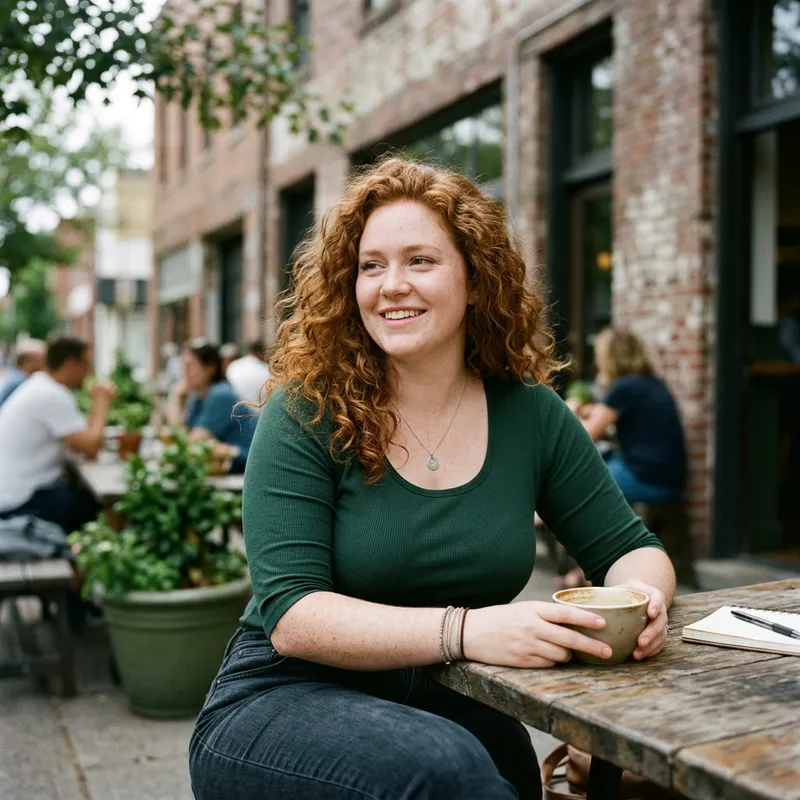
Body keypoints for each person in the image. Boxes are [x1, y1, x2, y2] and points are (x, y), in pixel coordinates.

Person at [188, 158, 676, 800]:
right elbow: (293, 615)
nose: (391, 285)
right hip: (286, 699)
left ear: (476, 281)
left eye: (421, 261)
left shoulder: (529, 412)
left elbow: (629, 548)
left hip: (458, 708)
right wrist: (470, 629)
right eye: (371, 265)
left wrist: (643, 603)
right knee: (444, 771)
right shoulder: (308, 408)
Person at [0, 334, 116, 534]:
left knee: (82, 498)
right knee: (104, 509)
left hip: (16, 495)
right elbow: (91, 447)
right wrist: (102, 402)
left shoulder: (41, 386)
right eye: (86, 364)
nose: (89, 372)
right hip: (19, 503)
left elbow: (81, 439)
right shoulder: (51, 394)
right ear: (71, 364)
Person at [580, 328, 687, 505]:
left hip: (647, 480)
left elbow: (584, 436)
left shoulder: (625, 387)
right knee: (602, 462)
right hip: (668, 480)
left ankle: (536, 521)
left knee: (574, 480)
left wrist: (572, 407)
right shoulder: (650, 382)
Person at [168, 339, 256, 474]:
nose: (184, 372)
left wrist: (174, 398)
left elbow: (191, 443)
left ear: (210, 368)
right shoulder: (198, 396)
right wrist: (178, 399)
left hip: (247, 463)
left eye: (189, 366)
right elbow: (179, 437)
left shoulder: (220, 394)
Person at [0, 338, 46, 407]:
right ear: (27, 362)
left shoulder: (14, 375)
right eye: (39, 360)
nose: (43, 364)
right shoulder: (20, 382)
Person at [225, 340, 271, 406]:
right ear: (261, 354)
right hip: (258, 412)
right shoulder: (267, 370)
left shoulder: (233, 366)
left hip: (234, 409)